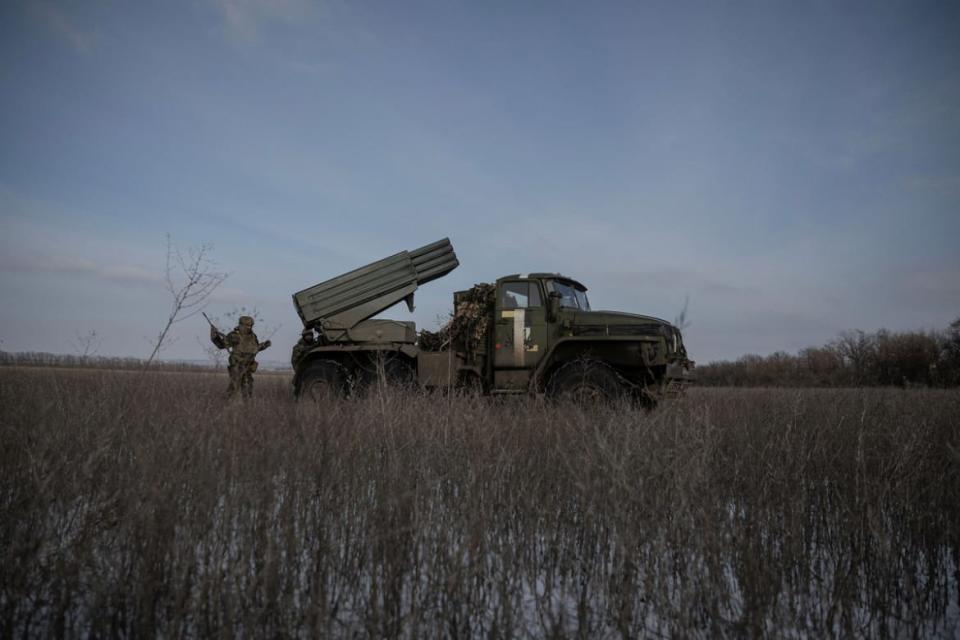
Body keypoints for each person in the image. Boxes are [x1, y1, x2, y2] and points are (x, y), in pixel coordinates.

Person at [210, 315, 271, 398]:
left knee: (248, 389)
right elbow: (221, 345)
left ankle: (247, 408)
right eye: (247, 325)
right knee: (234, 388)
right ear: (241, 325)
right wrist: (215, 337)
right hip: (237, 366)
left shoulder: (253, 336)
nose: (249, 327)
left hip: (248, 367)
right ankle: (227, 405)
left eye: (250, 325)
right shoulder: (234, 335)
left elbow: (254, 349)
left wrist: (264, 345)